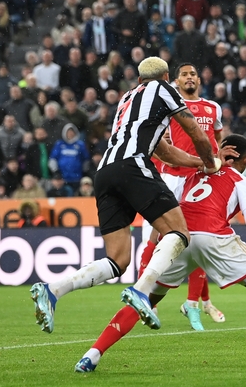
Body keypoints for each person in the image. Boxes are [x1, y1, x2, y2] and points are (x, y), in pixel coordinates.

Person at [74, 134, 246, 373]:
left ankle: (91, 355)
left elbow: (167, 210)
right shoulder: (241, 181)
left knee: (144, 300)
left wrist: (157, 245)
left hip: (179, 238)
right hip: (214, 236)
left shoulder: (192, 175)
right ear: (245, 160)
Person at [30, 56, 224, 334]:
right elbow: (195, 130)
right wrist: (210, 161)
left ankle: (53, 290)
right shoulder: (165, 89)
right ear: (167, 77)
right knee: (180, 233)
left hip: (105, 172)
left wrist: (197, 162)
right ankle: (142, 292)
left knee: (117, 260)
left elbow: (165, 152)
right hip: (133, 165)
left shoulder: (127, 98)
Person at [140, 62, 226, 331]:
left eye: (193, 74)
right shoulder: (169, 104)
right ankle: (145, 299)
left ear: (199, 79)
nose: (190, 78)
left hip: (200, 179)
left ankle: (192, 304)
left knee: (198, 240)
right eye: (184, 75)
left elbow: (218, 141)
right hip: (172, 178)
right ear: (175, 81)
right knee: (155, 238)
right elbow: (155, 141)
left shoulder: (213, 107)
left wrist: (219, 163)